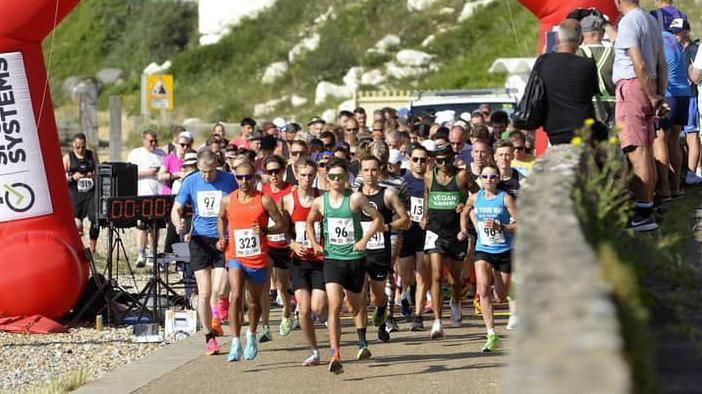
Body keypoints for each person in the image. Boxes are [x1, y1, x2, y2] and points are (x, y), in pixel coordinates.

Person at [305, 157, 383, 373]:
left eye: (341, 176)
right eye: (333, 177)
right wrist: (314, 243)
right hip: (332, 260)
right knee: (335, 305)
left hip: (355, 260)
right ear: (327, 179)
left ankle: (362, 342)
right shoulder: (320, 202)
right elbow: (309, 222)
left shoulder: (356, 198)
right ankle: (335, 353)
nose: (337, 180)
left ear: (346, 177)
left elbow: (377, 219)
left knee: (356, 306)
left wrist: (364, 240)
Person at [217, 161, 286, 361]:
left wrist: (265, 231)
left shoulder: (264, 200)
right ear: (235, 178)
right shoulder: (227, 200)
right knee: (236, 295)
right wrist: (222, 238)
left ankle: (252, 334)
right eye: (240, 177)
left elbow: (281, 224)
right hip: (235, 256)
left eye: (248, 177)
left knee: (253, 302)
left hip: (257, 257)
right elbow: (220, 218)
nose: (244, 181)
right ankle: (235, 342)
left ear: (254, 178)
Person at [171, 150, 237, 355]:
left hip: (222, 238)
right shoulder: (191, 181)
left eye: (209, 172)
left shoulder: (229, 180)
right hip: (199, 240)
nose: (206, 176)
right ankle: (209, 336)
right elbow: (177, 208)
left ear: (217, 165)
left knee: (218, 289)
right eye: (202, 171)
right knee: (205, 293)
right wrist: (177, 222)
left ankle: (217, 314)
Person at [613, 0, 668, 231]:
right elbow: (661, 63)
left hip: (634, 86)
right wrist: (658, 94)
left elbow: (639, 63)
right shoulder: (651, 20)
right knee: (645, 147)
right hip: (649, 85)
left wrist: (653, 96)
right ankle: (648, 206)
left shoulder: (628, 22)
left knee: (637, 150)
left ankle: (643, 213)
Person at [462, 164, 517, 352]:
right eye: (485, 176)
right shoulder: (475, 197)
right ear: (481, 179)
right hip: (483, 249)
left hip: (504, 250)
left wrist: (502, 227)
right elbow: (465, 210)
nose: (489, 180)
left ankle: (509, 289)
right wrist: (467, 225)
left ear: (498, 179)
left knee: (500, 297)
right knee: (483, 290)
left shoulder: (505, 198)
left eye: (493, 177)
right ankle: (491, 334)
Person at [421, 143, 472, 338]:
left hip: (456, 233)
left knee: (455, 279)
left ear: (453, 158)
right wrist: (424, 216)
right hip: (435, 231)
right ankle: (437, 322)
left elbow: (475, 193)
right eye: (439, 160)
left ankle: (456, 301)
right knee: (435, 276)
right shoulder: (429, 176)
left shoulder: (461, 175)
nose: (443, 164)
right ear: (435, 160)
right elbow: (427, 195)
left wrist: (464, 204)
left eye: (447, 160)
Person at [358, 155, 409, 343]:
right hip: (360, 251)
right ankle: (362, 339)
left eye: (373, 170)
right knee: (360, 295)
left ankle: (381, 312)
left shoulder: (388, 194)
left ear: (379, 171)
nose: (370, 174)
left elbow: (405, 219)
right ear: (360, 172)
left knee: (376, 297)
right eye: (366, 170)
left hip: (380, 251)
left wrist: (387, 227)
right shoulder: (356, 195)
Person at [282, 158, 326, 365]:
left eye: (310, 175)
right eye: (303, 175)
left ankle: (327, 318)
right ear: (296, 175)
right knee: (304, 308)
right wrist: (291, 244)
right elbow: (283, 230)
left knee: (317, 307)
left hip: (320, 260)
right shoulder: (288, 200)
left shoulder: (323, 198)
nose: (307, 179)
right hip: (298, 261)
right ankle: (314, 350)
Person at [537, 19, 598, 145]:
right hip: (581, 131)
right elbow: (593, 92)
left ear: (556, 38)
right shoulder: (587, 64)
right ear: (580, 40)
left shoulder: (543, 62)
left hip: (554, 132)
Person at [260, 156, 295, 341]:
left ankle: (287, 311)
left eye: (277, 171)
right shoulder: (262, 192)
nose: (274, 175)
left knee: (282, 284)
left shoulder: (291, 190)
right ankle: (265, 326)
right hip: (267, 244)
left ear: (283, 171)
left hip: (285, 244)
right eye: (269, 172)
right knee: (265, 285)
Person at [398, 144, 430, 331]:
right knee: (406, 276)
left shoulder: (431, 181)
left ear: (428, 162)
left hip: (424, 234)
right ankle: (404, 292)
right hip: (407, 233)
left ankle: (418, 316)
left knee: (422, 275)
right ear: (410, 161)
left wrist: (429, 217)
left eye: (423, 160)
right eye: (415, 159)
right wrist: (404, 217)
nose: (419, 163)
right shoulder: (403, 181)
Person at [128, 130, 166, 267]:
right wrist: (147, 172)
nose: (154, 144)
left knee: (155, 227)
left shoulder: (161, 154)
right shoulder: (136, 154)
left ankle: (152, 254)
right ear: (144, 140)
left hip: (159, 194)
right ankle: (141, 254)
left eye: (155, 141)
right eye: (151, 141)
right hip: (143, 194)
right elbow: (129, 173)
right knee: (141, 225)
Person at [63, 133, 100, 253]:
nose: (81, 150)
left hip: (91, 193)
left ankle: (93, 248)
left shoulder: (92, 155)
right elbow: (59, 177)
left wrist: (93, 175)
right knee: (76, 223)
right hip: (75, 194)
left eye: (83, 147)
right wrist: (73, 177)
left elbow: (100, 172)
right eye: (78, 147)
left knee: (96, 219)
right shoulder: (68, 157)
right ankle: (77, 248)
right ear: (74, 145)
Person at [577, 15, 616, 125]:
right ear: (602, 33)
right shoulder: (614, 53)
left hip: (587, 109)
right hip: (614, 109)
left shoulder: (576, 54)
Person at [159, 131, 194, 255]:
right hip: (172, 196)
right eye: (182, 145)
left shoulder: (191, 158)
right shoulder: (170, 158)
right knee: (174, 228)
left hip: (188, 198)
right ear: (176, 144)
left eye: (188, 145)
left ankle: (182, 258)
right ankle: (170, 255)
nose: (185, 148)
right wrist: (175, 175)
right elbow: (160, 176)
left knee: (186, 228)